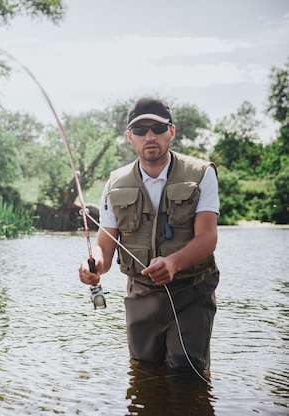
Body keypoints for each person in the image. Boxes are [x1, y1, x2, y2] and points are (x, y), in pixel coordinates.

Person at [78, 97, 220, 372]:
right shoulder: (115, 182)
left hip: (191, 292)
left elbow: (207, 238)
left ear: (172, 131)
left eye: (157, 128)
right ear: (130, 136)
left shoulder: (202, 174)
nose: (150, 136)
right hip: (140, 295)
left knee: (186, 374)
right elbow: (105, 246)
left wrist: (173, 264)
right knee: (144, 374)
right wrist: (93, 266)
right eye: (141, 130)